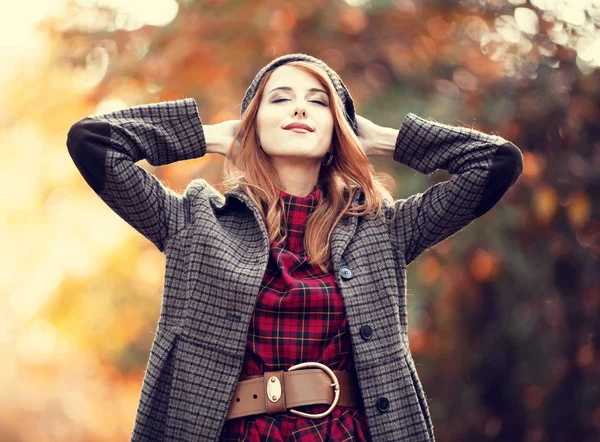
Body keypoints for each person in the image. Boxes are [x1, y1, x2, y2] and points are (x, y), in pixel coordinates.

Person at [66, 53, 524, 441]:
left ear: (339, 128)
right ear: (254, 123)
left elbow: (496, 163)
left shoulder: (384, 229)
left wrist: (385, 140)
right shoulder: (193, 221)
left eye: (319, 102)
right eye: (280, 99)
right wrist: (207, 135)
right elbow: (91, 141)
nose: (300, 109)